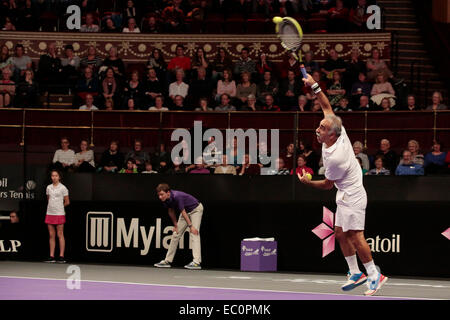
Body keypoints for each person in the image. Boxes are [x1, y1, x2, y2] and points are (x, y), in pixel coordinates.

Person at [298, 71, 387, 296]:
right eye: (319, 125)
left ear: (333, 135)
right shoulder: (338, 128)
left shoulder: (334, 158)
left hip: (354, 195)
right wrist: (314, 85)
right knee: (339, 232)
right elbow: (326, 106)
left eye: (323, 129)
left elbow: (327, 185)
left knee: (355, 236)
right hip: (345, 193)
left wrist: (307, 183)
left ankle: (375, 275)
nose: (318, 129)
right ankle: (355, 272)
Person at [154, 183, 203, 269]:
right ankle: (167, 261)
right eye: (159, 195)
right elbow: (171, 211)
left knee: (194, 233)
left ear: (168, 192)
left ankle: (196, 262)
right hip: (185, 212)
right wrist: (176, 225)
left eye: (162, 194)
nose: (160, 197)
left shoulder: (177, 196)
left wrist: (191, 226)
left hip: (196, 209)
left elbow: (183, 212)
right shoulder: (166, 199)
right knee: (175, 234)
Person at [44, 170, 69, 263]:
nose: (54, 177)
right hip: (50, 213)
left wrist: (59, 207)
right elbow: (48, 199)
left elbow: (67, 202)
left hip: (59, 213)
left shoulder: (63, 188)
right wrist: (52, 206)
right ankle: (51, 256)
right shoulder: (48, 187)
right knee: (51, 235)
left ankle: (61, 256)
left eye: (56, 176)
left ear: (59, 177)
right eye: (52, 176)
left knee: (60, 234)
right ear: (51, 177)